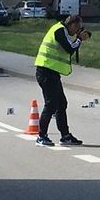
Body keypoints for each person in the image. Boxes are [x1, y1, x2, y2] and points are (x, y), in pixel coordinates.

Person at [34, 15, 90, 146]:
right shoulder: (59, 30)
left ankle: (65, 136)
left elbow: (70, 45)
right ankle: (41, 136)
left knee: (61, 104)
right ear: (70, 24)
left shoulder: (62, 30)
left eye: (79, 28)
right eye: (76, 27)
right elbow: (69, 48)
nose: (76, 30)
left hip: (52, 72)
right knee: (51, 104)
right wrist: (80, 39)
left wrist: (79, 38)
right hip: (46, 71)